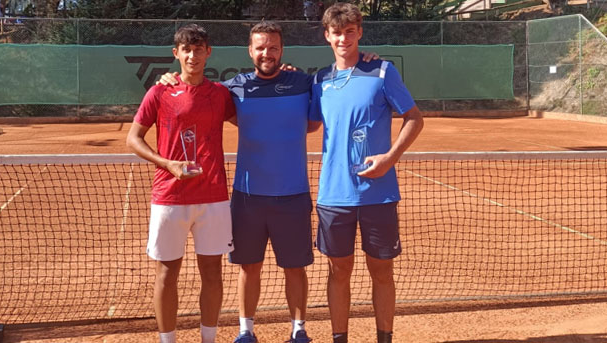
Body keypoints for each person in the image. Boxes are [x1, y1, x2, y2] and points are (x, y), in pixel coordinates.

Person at [159, 21, 380, 343]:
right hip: (247, 197)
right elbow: (195, 91)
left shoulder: (304, 83)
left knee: (295, 268)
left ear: (281, 50)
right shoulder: (232, 88)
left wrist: (366, 59)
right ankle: (246, 330)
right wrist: (168, 78)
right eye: (260, 47)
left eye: (273, 47)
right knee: (248, 267)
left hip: (293, 195)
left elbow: (316, 118)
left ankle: (298, 329)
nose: (267, 53)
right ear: (250, 51)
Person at [308, 3, 424, 343]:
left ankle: (384, 338)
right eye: (336, 32)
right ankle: (339, 338)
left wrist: (389, 158)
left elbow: (414, 118)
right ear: (326, 36)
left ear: (359, 32)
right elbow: (310, 123)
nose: (343, 38)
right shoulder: (319, 80)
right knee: (338, 272)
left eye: (349, 31)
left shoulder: (383, 71)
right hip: (334, 195)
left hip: (378, 193)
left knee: (382, 271)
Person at [125, 23, 236, 343]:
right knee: (166, 274)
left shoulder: (220, 94)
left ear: (208, 52)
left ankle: (208, 339)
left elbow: (252, 116)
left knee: (212, 274)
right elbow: (133, 139)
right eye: (186, 49)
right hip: (169, 197)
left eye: (198, 49)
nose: (192, 55)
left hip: (213, 196)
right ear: (176, 54)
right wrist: (167, 164)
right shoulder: (159, 91)